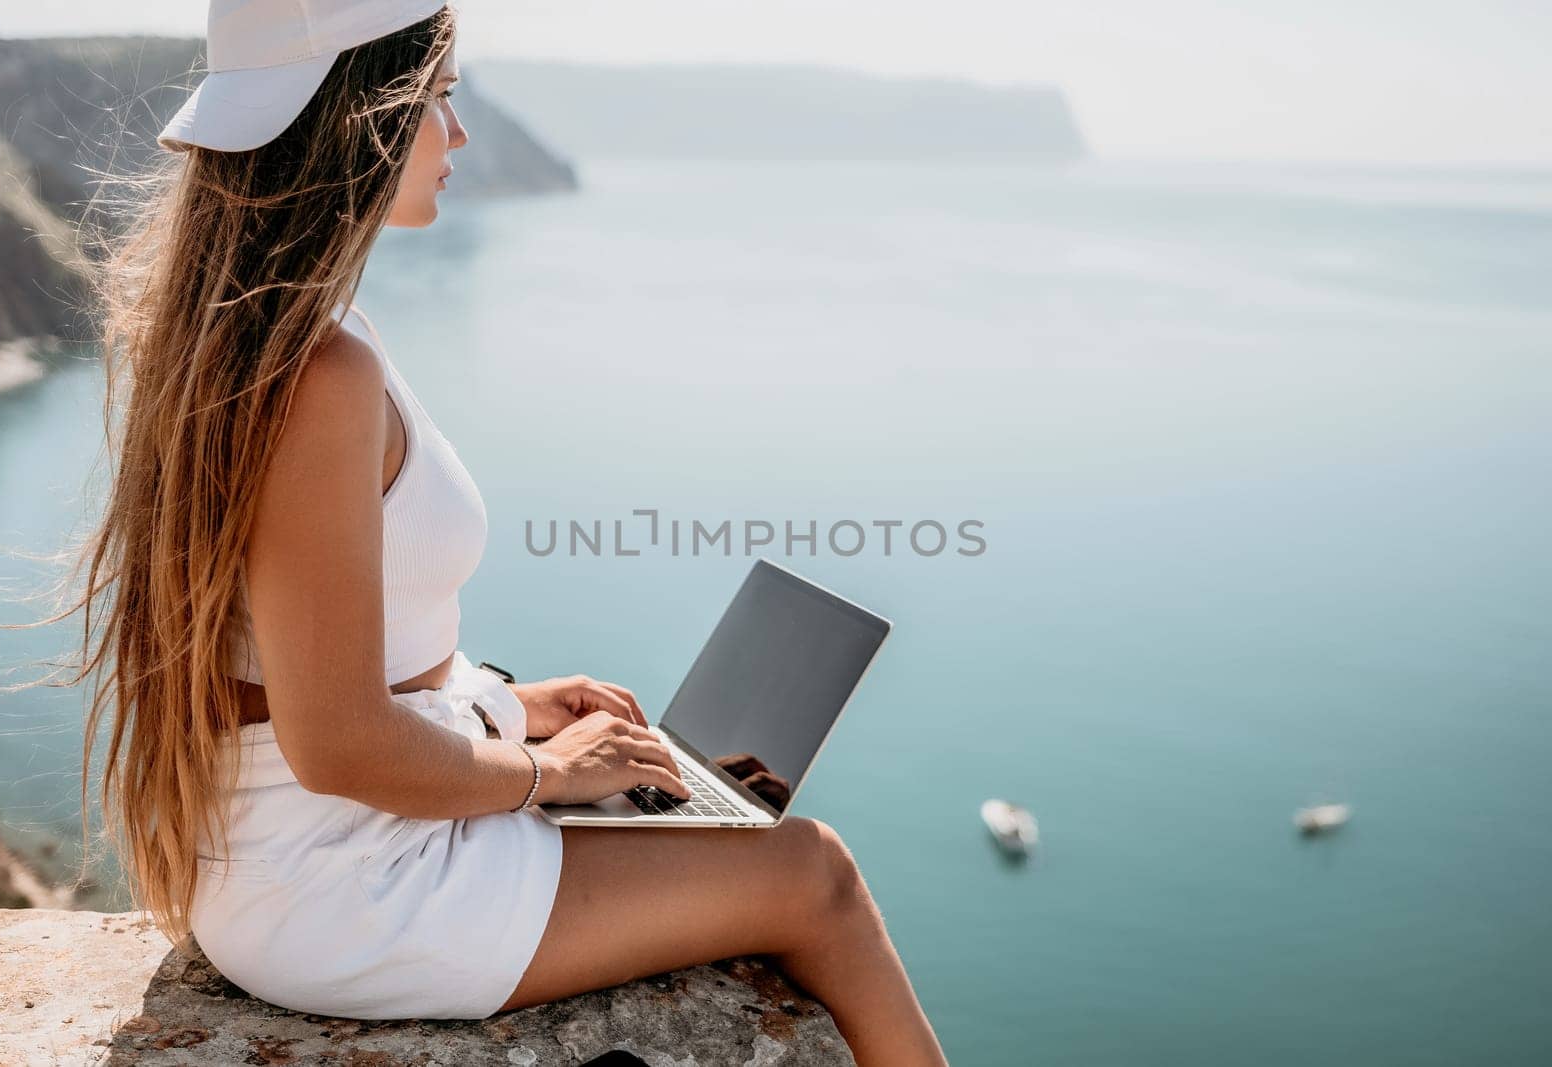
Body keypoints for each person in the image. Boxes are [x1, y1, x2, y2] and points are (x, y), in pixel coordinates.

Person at [51, 2, 946, 1062]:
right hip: (350, 880)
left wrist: (507, 708)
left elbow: (293, 671)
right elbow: (335, 742)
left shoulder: (267, 333)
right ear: (359, 119)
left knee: (728, 820)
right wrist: (544, 773)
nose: (459, 135)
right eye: (441, 99)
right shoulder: (320, 377)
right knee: (814, 875)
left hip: (310, 854)